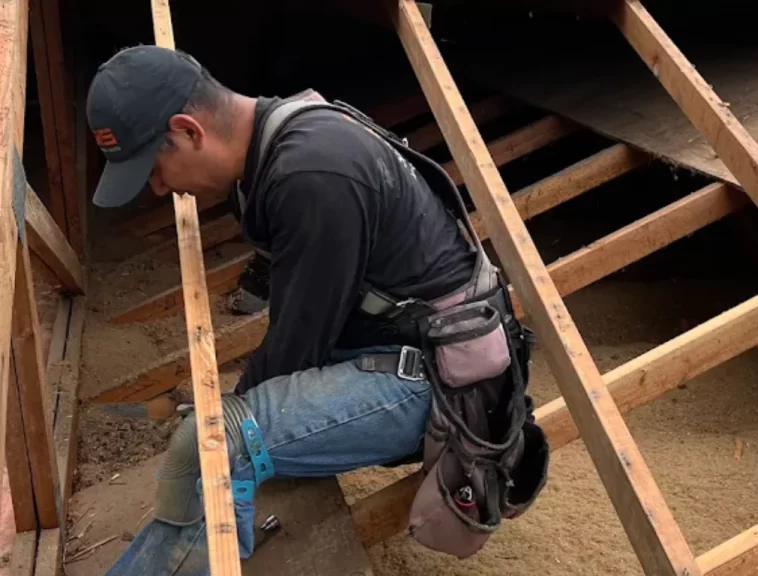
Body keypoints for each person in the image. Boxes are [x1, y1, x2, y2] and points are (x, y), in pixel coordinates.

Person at [87, 45, 548, 575]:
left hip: (437, 386)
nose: (159, 187)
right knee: (238, 420)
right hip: (408, 344)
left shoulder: (312, 174)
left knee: (212, 449)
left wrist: (235, 415)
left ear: (190, 131)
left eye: (154, 168)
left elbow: (294, 350)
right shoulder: (279, 135)